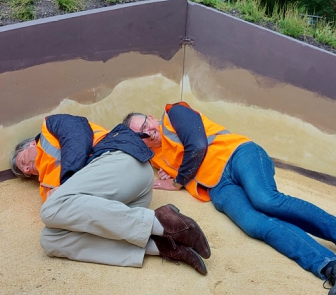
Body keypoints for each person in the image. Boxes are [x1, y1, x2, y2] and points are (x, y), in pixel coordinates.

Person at [123, 101, 336, 295]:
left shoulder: (173, 113)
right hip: (219, 187)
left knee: (267, 200)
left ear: (150, 116)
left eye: (146, 124)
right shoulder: (156, 160)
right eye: (141, 133)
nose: (149, 131)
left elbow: (198, 146)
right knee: (256, 225)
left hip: (239, 155)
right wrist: (170, 180)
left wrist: (178, 181)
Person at [10, 113, 211, 275]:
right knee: (50, 239)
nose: (27, 170)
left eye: (23, 162)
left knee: (49, 210)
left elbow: (77, 132)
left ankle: (165, 223)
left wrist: (65, 183)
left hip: (124, 162)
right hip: (122, 203)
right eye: (25, 173)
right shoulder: (46, 183)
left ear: (30, 145)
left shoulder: (50, 127)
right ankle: (161, 245)